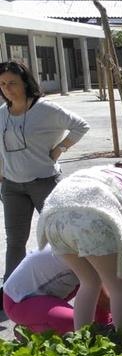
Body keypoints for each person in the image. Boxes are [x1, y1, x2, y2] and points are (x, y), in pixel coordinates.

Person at [36, 154, 122, 336]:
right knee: (119, 288)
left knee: (89, 282)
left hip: (52, 219)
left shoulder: (104, 171)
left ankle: (82, 341)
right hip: (91, 219)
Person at [1, 60, 90, 283]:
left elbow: (80, 125)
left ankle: (83, 280)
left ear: (25, 83)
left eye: (12, 83)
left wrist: (60, 148)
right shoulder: (2, 113)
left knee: (59, 236)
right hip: (12, 186)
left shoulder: (45, 108)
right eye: (2, 84)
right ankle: (11, 289)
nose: (7, 89)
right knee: (15, 241)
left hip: (44, 182)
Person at [2, 246, 122, 336]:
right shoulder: (93, 252)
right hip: (19, 301)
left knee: (93, 294)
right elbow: (106, 300)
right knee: (76, 326)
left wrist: (109, 324)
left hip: (45, 297)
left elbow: (101, 297)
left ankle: (103, 326)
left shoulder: (93, 244)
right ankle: (27, 332)